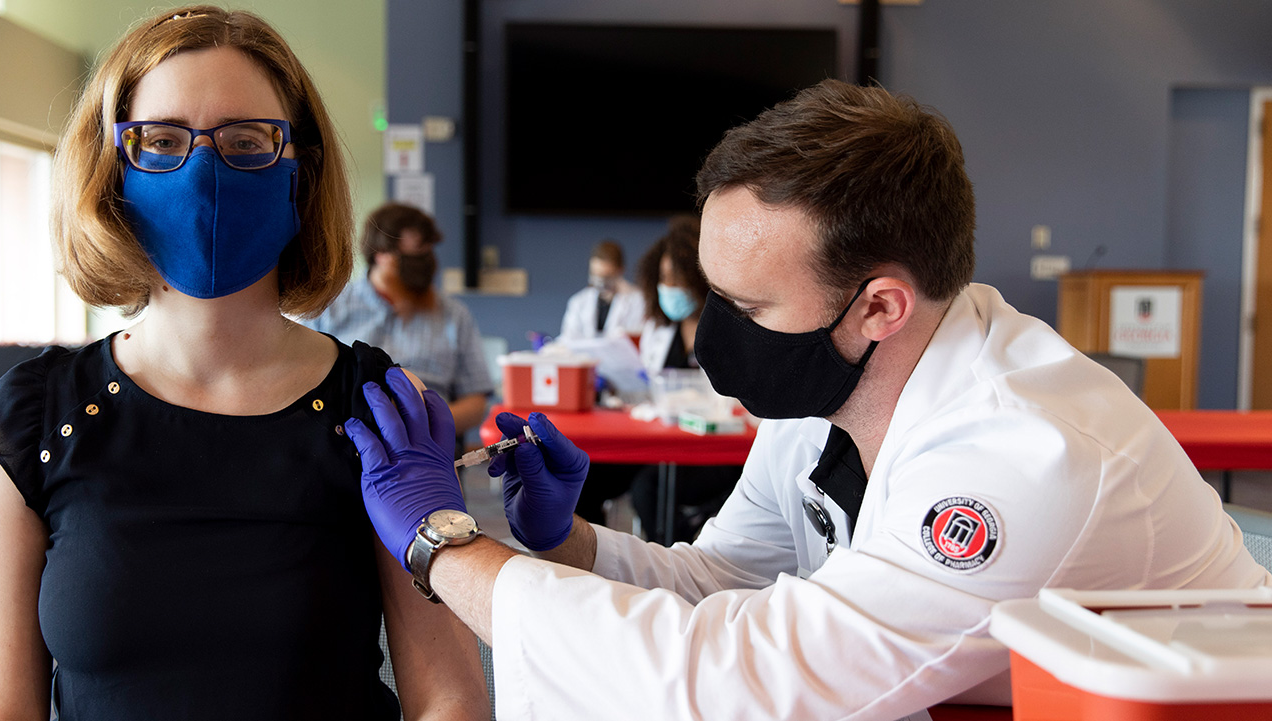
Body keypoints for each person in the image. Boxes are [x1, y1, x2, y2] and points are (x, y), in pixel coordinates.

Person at [345, 79, 1272, 720]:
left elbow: (739, 681)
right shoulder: (840, 388)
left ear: (877, 306)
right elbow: (729, 584)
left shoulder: (1021, 456)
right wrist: (574, 542)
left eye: (746, 307)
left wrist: (440, 543)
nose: (714, 331)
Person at [0, 7, 489, 720]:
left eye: (247, 140)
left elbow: (448, 697)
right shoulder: (28, 420)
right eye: (161, 140)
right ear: (113, 170)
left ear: (302, 171)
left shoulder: (381, 408)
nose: (204, 168)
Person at [574, 216, 741, 543]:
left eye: (678, 279)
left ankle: (678, 568)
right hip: (657, 443)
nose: (671, 288)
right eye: (664, 279)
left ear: (701, 278)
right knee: (582, 480)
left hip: (709, 450)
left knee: (648, 491)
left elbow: (734, 402)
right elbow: (646, 387)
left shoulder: (730, 330)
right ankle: (592, 564)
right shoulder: (660, 329)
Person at [310, 202, 493, 437]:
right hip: (349, 439)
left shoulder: (453, 315)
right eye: (412, 257)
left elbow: (476, 403)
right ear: (380, 254)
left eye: (427, 252)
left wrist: (421, 428)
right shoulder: (328, 308)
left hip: (430, 440)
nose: (424, 265)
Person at [558, 239, 646, 342]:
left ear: (620, 270)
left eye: (606, 277)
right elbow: (567, 338)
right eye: (595, 275)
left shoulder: (638, 300)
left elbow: (639, 338)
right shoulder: (579, 301)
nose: (600, 282)